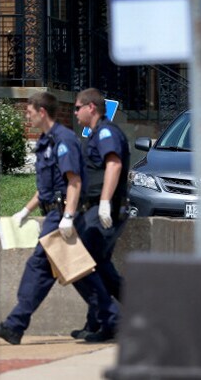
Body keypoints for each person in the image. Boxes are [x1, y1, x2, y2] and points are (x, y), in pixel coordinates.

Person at [0, 92, 119, 345]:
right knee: (74, 273)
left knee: (44, 269)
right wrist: (25, 211)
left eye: (29, 111)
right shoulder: (47, 141)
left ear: (42, 112)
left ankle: (15, 325)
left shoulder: (64, 140)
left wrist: (68, 217)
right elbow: (47, 187)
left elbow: (74, 181)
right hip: (54, 212)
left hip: (62, 215)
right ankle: (113, 320)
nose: (27, 116)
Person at [72, 88, 130, 340]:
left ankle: (110, 321)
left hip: (105, 209)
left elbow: (114, 164)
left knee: (84, 265)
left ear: (91, 108)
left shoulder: (106, 132)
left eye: (77, 108)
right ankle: (99, 322)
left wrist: (105, 202)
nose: (75, 113)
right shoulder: (94, 135)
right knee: (99, 266)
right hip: (93, 208)